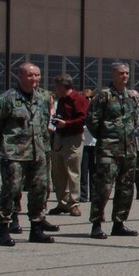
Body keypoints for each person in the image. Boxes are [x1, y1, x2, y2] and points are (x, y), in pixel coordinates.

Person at [0, 60, 57, 245]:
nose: (34, 79)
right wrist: (6, 145)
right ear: (20, 77)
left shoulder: (43, 98)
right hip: (15, 154)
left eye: (37, 75)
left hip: (38, 152)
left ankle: (36, 227)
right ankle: (4, 227)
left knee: (40, 190)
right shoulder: (7, 99)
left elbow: (45, 124)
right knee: (11, 190)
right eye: (30, 75)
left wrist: (43, 147)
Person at [88, 63, 139, 238]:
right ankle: (96, 224)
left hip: (129, 150)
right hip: (108, 150)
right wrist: (106, 137)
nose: (124, 76)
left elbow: (136, 120)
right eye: (121, 73)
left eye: (127, 73)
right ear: (113, 75)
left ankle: (119, 223)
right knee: (103, 188)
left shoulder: (131, 97)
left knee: (126, 188)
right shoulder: (103, 96)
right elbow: (92, 120)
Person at [50, 73, 88, 215]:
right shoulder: (61, 100)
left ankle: (74, 203)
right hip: (59, 136)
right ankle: (62, 202)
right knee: (58, 172)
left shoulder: (78, 99)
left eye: (56, 86)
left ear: (62, 86)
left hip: (73, 138)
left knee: (73, 172)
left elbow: (83, 118)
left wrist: (66, 124)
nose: (55, 89)